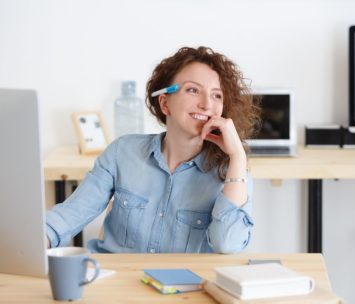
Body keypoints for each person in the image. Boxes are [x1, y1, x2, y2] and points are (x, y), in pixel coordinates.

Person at [46, 46, 261, 253]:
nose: (206, 104)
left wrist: (238, 157)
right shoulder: (122, 153)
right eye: (193, 90)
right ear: (165, 103)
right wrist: (37, 240)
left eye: (217, 95)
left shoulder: (233, 172)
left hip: (187, 287)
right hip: (119, 282)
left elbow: (228, 245)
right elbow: (72, 213)